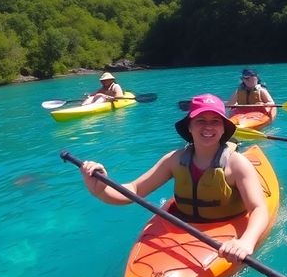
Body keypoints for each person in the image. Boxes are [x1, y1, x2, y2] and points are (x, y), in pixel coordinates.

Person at [78, 94, 269, 263]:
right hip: (183, 224)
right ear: (190, 127)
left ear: (223, 128)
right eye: (200, 120)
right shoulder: (174, 160)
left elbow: (259, 209)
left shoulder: (237, 165)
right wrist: (99, 188)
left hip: (227, 224)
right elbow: (135, 190)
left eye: (215, 121)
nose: (208, 127)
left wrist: (246, 242)